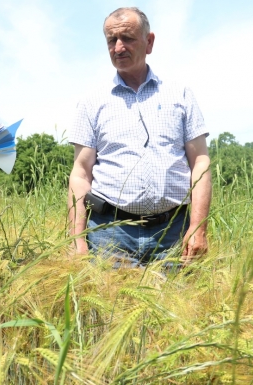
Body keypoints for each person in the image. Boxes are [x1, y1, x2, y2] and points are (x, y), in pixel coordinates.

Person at [67, 7, 212, 267]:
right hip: (110, 234)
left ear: (149, 42)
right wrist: (77, 238)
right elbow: (80, 173)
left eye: (127, 38)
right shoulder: (92, 102)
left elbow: (200, 161)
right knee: (113, 307)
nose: (118, 47)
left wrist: (198, 227)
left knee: (178, 307)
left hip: (173, 233)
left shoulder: (180, 95)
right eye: (111, 40)